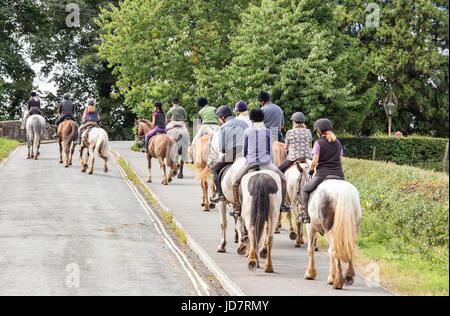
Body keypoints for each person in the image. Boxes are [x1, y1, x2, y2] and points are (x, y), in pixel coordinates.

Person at [231, 108, 289, 216]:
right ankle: (283, 204)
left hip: (250, 162)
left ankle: (237, 206)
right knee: (283, 179)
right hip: (266, 162)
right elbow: (270, 152)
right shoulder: (267, 131)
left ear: (252, 119)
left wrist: (249, 156)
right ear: (262, 119)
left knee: (234, 182)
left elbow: (244, 151)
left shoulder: (247, 131)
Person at [298, 118, 345, 223]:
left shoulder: (318, 143)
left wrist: (310, 170)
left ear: (319, 131)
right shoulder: (338, 143)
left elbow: (314, 162)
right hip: (339, 175)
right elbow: (341, 161)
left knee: (304, 190)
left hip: (322, 174)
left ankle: (306, 216)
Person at [210, 105, 249, 203]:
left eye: (218, 118)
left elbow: (222, 148)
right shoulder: (244, 123)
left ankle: (220, 194)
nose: (218, 120)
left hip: (233, 153)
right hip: (247, 153)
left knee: (214, 169)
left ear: (223, 117)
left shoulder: (223, 127)